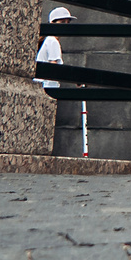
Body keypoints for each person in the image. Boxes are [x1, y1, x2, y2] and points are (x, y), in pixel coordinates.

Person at [37, 8, 86, 156]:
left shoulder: (48, 40)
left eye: (67, 23)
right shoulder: (53, 41)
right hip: (47, 88)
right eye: (62, 22)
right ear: (53, 23)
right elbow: (54, 68)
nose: (65, 26)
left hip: (42, 87)